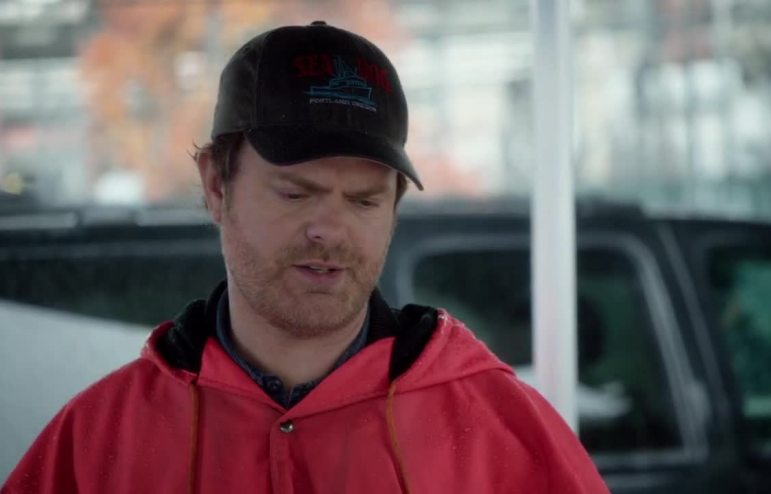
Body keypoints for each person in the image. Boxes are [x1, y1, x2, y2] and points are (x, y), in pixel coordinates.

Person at [2, 22, 608, 493]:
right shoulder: (98, 440)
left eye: (365, 201)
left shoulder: (504, 432)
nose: (330, 230)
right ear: (216, 185)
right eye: (295, 194)